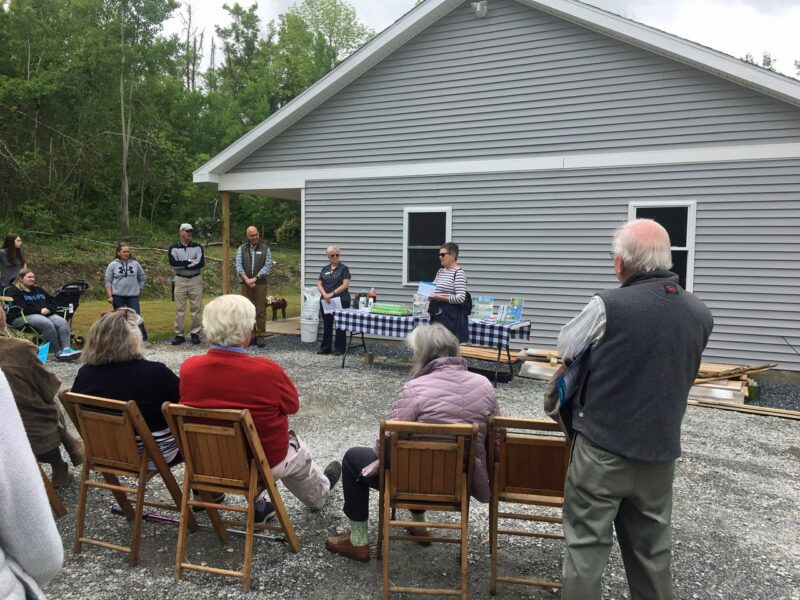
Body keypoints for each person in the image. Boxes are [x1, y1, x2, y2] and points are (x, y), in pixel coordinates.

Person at [556, 219, 713, 600]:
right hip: (660, 454)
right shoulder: (700, 313)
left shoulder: (607, 305)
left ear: (621, 262)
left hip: (602, 449)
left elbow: (566, 347)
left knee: (585, 551)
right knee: (653, 555)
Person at [325, 323, 500, 562]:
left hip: (411, 481)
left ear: (423, 355)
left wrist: (379, 454)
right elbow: (497, 439)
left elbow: (386, 443)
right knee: (423, 459)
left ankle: (358, 541)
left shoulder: (415, 388)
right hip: (459, 481)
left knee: (354, 458)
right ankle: (420, 524)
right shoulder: (484, 385)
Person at [180, 295, 341, 521]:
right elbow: (292, 406)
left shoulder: (189, 368)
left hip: (208, 462)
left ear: (208, 329)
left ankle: (241, 500)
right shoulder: (267, 371)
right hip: (259, 463)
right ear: (247, 331)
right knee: (298, 451)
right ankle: (320, 494)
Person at [71, 309, 181, 466]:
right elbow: (182, 405)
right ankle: (203, 489)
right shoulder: (155, 372)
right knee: (196, 433)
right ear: (134, 340)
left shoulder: (85, 374)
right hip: (153, 454)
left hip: (106, 452)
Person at [0, 370, 64, 600]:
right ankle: (64, 459)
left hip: (31, 430)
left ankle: (68, 458)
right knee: (54, 410)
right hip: (39, 433)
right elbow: (51, 386)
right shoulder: (21, 349)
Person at [0, 334, 84, 487]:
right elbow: (49, 387)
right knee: (44, 404)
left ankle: (71, 447)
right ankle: (61, 460)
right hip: (29, 434)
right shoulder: (18, 348)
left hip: (7, 433)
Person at [6, 270, 81, 361]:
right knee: (45, 322)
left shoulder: (38, 289)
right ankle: (57, 352)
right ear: (21, 278)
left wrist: (49, 309)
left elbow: (52, 302)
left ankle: (66, 349)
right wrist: (39, 310)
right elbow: (20, 307)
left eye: (33, 277)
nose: (32, 279)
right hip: (20, 317)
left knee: (62, 321)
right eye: (29, 277)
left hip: (43, 315)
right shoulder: (13, 291)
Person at [168, 223, 205, 346]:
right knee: (179, 308)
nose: (190, 233)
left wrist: (182, 264)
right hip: (180, 279)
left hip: (195, 279)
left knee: (197, 307)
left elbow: (200, 263)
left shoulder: (198, 247)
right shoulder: (173, 248)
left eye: (191, 231)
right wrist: (189, 261)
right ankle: (179, 334)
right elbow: (173, 263)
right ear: (181, 232)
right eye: (188, 231)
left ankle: (195, 333)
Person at [235, 226, 272, 348]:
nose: (254, 237)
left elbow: (267, 266)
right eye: (252, 235)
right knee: (247, 311)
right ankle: (250, 336)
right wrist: (247, 280)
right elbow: (239, 266)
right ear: (248, 236)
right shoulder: (242, 249)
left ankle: (260, 335)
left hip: (260, 283)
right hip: (245, 284)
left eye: (256, 235)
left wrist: (255, 279)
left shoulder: (266, 249)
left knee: (260, 310)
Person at [104, 243, 147, 341]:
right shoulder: (113, 265)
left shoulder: (135, 264)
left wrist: (139, 288)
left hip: (132, 296)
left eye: (128, 251)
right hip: (117, 296)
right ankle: (120, 340)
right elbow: (108, 281)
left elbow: (142, 277)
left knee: (136, 316)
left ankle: (143, 339)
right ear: (118, 253)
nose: (126, 253)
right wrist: (109, 296)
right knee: (119, 318)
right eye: (124, 251)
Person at [428, 242, 470, 342]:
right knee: (436, 344)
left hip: (451, 317)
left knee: (447, 345)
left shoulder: (459, 273)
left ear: (452, 255)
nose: (440, 257)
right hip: (437, 314)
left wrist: (439, 297)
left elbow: (460, 298)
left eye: (443, 254)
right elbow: (433, 288)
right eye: (439, 255)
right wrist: (428, 294)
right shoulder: (440, 271)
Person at [316, 245, 351, 356]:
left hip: (341, 299)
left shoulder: (344, 269)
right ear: (328, 256)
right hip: (326, 300)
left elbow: (346, 284)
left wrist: (332, 294)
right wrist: (325, 294)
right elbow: (319, 283)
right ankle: (325, 347)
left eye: (337, 255)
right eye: (332, 255)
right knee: (327, 323)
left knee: (340, 324)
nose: (335, 257)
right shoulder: (324, 269)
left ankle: (339, 348)